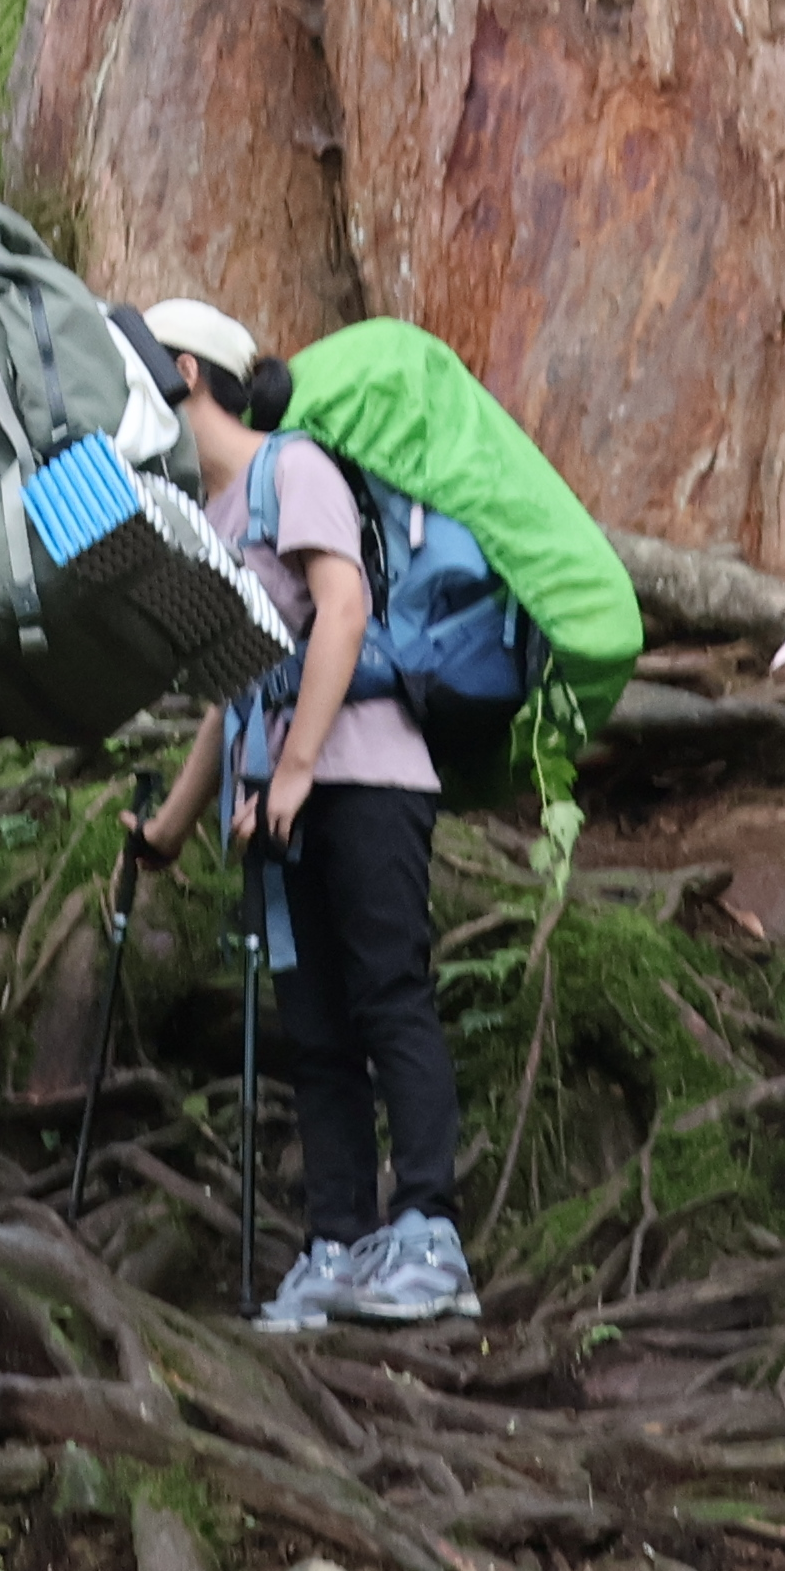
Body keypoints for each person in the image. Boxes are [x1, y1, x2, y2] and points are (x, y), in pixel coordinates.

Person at [131, 299, 480, 1334]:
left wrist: (293, 769)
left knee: (387, 994)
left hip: (364, 778)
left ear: (185, 372)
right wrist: (170, 829)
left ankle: (429, 1235)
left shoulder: (293, 469)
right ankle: (337, 1242)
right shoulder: (213, 512)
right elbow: (227, 695)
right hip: (276, 803)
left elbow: (343, 607)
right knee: (317, 1029)